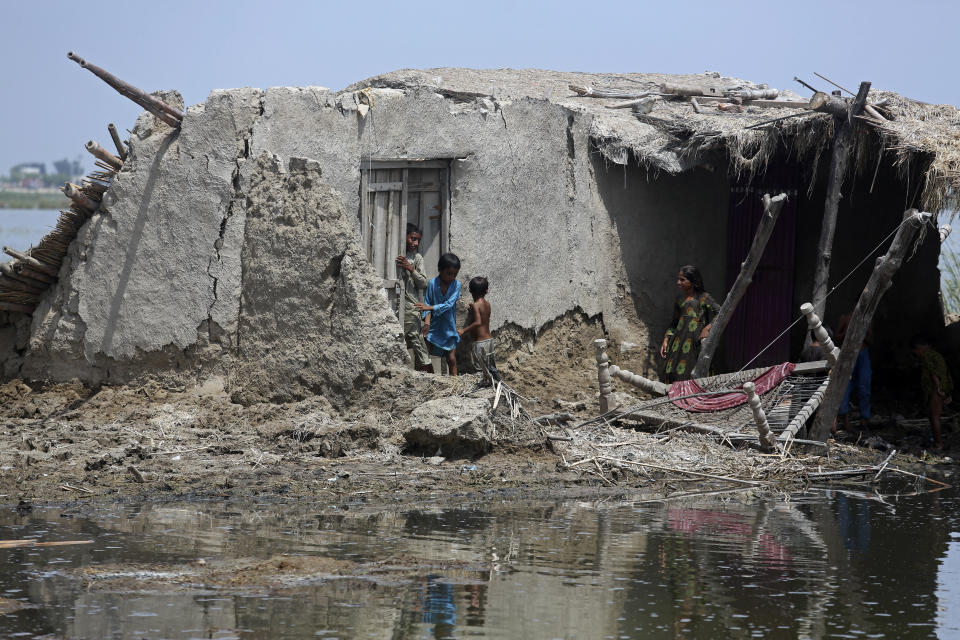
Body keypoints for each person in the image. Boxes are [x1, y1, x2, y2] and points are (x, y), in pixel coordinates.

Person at [659, 265, 720, 382]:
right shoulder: (679, 299)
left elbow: (720, 313)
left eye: (682, 280)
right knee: (672, 371)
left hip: (694, 343)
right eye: (678, 279)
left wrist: (707, 328)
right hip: (677, 344)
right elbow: (674, 322)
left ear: (692, 281)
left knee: (692, 371)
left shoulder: (704, 298)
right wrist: (666, 339)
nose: (678, 282)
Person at [414, 253, 462, 376]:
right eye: (448, 273)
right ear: (440, 270)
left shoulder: (457, 285)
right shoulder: (432, 284)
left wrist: (428, 307)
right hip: (434, 327)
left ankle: (455, 384)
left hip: (448, 327)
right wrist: (427, 324)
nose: (452, 277)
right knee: (426, 356)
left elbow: (449, 305)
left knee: (451, 359)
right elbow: (427, 302)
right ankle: (429, 381)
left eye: (454, 274)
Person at [395, 224, 432, 372]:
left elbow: (423, 282)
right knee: (398, 340)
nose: (415, 243)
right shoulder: (394, 252)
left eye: (417, 240)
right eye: (412, 238)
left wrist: (411, 269)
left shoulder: (416, 258)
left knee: (417, 341)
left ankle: (428, 374)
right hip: (394, 306)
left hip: (411, 307)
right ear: (403, 237)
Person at [912, 335, 954, 450]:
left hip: (936, 389)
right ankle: (937, 441)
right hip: (940, 388)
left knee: (934, 416)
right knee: (933, 416)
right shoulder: (936, 355)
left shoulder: (927, 356)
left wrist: (939, 389)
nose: (916, 354)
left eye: (916, 351)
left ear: (920, 348)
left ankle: (939, 444)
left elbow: (934, 374)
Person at [459, 276, 502, 383]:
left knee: (480, 368)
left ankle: (487, 388)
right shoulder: (487, 304)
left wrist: (463, 330)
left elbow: (478, 322)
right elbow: (483, 319)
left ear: (470, 291)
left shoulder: (475, 305)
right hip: (489, 340)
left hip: (480, 343)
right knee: (491, 367)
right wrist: (472, 311)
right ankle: (499, 384)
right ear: (486, 291)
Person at [836, 312, 872, 434]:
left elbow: (871, 340)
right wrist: (847, 332)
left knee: (864, 387)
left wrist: (862, 334)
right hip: (847, 354)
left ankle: (864, 421)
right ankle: (845, 421)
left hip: (862, 354)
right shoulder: (845, 317)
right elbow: (836, 337)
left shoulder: (868, 319)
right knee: (845, 387)